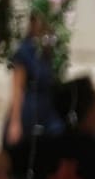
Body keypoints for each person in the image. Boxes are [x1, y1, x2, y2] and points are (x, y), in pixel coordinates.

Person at [5, 16, 63, 149]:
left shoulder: (48, 50)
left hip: (46, 111)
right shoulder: (25, 51)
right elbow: (17, 89)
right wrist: (15, 122)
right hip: (28, 111)